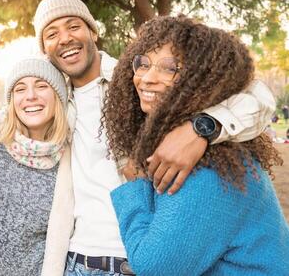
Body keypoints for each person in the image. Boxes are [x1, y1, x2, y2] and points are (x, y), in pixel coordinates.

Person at [32, 0, 276, 275]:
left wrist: (202, 128)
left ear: (93, 31)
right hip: (77, 257)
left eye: (73, 26)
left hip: (134, 254)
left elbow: (257, 95)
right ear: (44, 48)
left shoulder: (130, 78)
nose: (64, 38)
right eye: (51, 33)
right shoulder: (51, 98)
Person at [105, 15, 289, 275]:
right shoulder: (195, 147)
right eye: (142, 64)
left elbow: (153, 268)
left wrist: (134, 185)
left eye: (170, 67)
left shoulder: (208, 171)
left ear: (204, 78)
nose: (147, 78)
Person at [0, 57, 73, 276]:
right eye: (20, 89)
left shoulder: (71, 153)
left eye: (42, 86)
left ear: (58, 96)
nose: (30, 96)